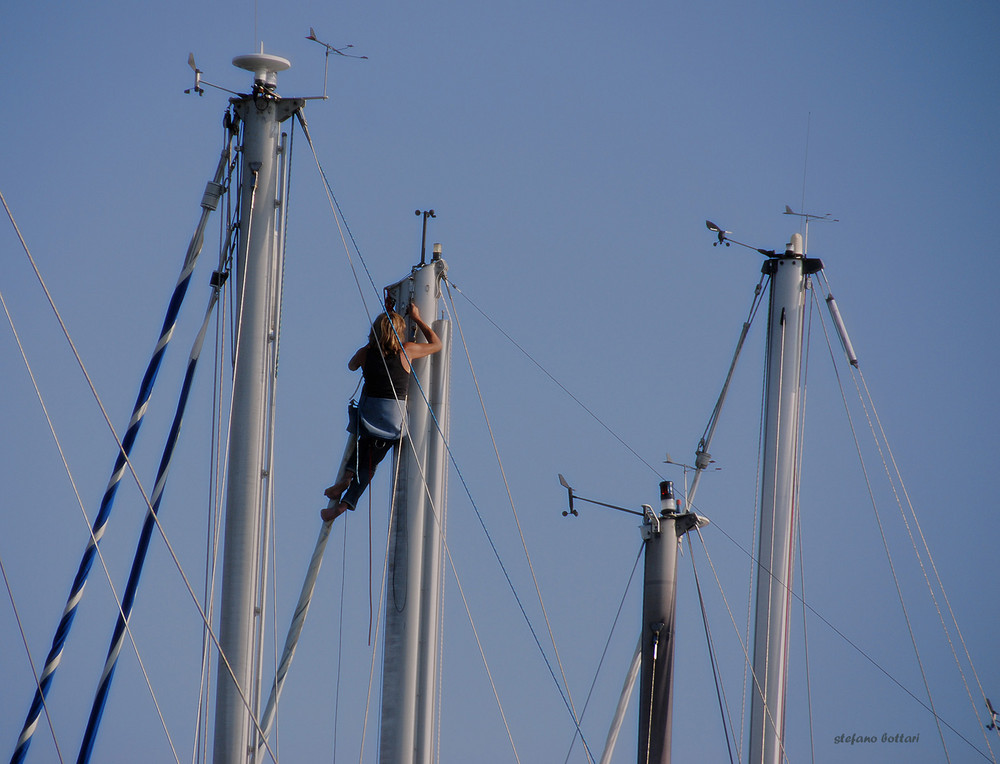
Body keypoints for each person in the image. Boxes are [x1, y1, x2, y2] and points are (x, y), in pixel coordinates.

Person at [321, 302, 442, 523]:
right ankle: (342, 506)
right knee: (369, 464)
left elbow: (351, 366)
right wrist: (417, 319)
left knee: (362, 448)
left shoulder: (366, 353)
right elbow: (437, 345)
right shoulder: (407, 351)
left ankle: (345, 482)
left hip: (369, 417)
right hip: (391, 422)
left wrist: (369, 347)